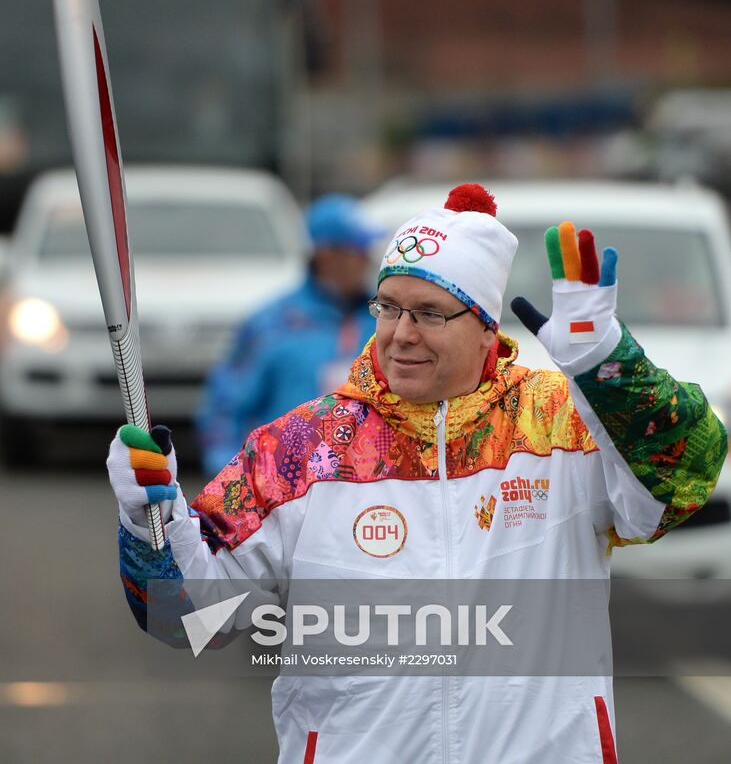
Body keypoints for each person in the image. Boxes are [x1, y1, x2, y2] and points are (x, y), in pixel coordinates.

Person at [107, 183, 726, 764]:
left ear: (486, 329)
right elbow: (186, 617)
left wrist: (604, 364)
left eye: (430, 313)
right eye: (389, 307)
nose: (401, 334)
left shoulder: (560, 425)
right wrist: (149, 523)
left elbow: (688, 475)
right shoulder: (302, 448)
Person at [195, 193, 380, 476]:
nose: (368, 260)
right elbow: (224, 410)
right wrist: (235, 480)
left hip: (366, 486)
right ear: (327, 256)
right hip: (283, 487)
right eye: (358, 249)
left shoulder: (383, 319)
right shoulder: (272, 324)